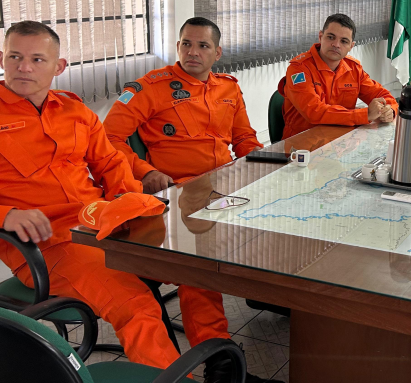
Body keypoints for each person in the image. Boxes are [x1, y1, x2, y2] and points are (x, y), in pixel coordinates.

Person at [0, 21, 278, 383]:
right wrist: (6, 215)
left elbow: (110, 163)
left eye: (37, 59)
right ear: (3, 59)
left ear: (59, 66)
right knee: (137, 305)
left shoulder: (74, 111)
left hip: (103, 222)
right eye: (15, 57)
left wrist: (127, 202)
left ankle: (222, 369)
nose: (24, 67)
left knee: (193, 267)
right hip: (51, 243)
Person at [104, 17, 263, 194]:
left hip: (225, 181)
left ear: (217, 53)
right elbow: (108, 138)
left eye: (203, 46)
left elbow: (243, 138)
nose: (192, 52)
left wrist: (258, 155)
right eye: (187, 44)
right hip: (177, 188)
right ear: (178, 46)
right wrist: (145, 172)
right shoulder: (150, 88)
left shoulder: (229, 88)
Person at [275, 14, 397, 139]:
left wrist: (389, 110)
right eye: (331, 37)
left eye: (344, 41)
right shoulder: (299, 69)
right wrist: (365, 114)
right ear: (320, 37)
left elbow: (382, 95)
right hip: (302, 143)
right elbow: (314, 112)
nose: (336, 44)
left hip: (341, 141)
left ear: (351, 46)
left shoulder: (354, 69)